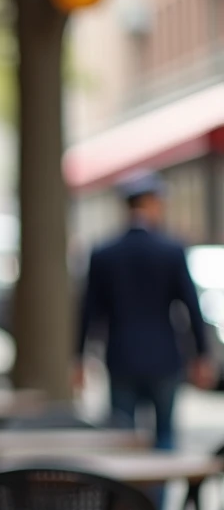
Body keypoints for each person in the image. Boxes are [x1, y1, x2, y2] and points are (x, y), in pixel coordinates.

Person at [73, 169, 216, 451]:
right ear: (152, 203)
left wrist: (78, 357)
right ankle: (157, 496)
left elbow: (88, 311)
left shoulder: (104, 252)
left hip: (121, 355)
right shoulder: (172, 250)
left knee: (123, 439)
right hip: (164, 356)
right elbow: (190, 307)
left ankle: (130, 496)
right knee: (164, 435)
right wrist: (202, 355)